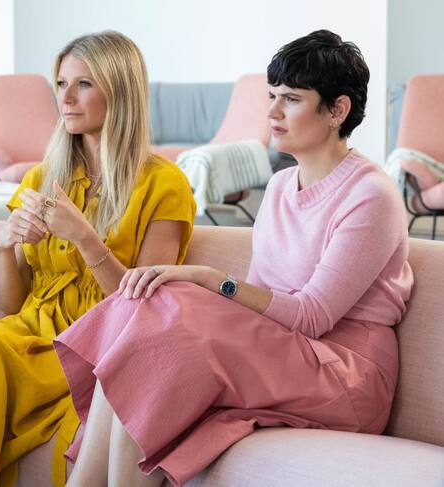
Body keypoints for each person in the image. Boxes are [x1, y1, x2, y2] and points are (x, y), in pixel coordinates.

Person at [53, 29, 414, 487]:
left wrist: (208, 278)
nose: (272, 112)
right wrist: (194, 290)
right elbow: (261, 302)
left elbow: (311, 316)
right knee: (148, 317)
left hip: (345, 373)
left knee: (169, 310)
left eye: (291, 99)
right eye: (271, 96)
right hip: (285, 351)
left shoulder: (371, 196)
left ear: (337, 111)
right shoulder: (281, 186)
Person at [0, 30, 196, 487]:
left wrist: (85, 238)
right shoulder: (42, 179)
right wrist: (4, 246)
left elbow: (144, 308)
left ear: (120, 91)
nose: (65, 98)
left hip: (98, 346)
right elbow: (10, 303)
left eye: (83, 84)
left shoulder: (164, 184)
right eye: (61, 84)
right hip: (32, 334)